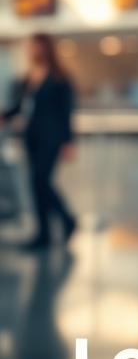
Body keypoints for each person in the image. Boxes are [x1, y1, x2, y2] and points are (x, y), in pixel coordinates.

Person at [0, 33, 77, 249]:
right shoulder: (28, 77)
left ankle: (62, 222)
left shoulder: (59, 77)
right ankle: (50, 229)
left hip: (51, 138)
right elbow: (20, 106)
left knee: (40, 181)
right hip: (31, 137)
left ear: (45, 49)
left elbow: (66, 111)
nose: (30, 51)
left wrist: (68, 141)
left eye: (34, 46)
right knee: (37, 184)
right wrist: (5, 116)